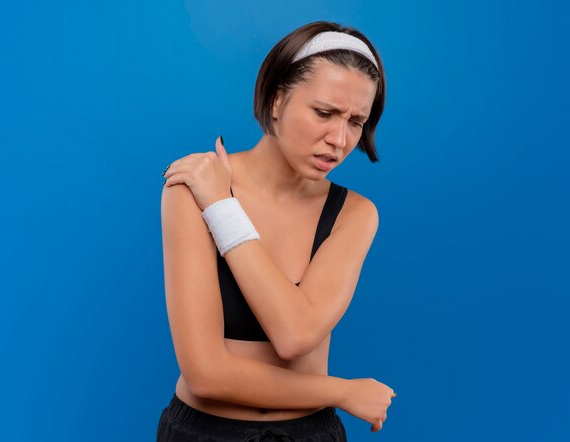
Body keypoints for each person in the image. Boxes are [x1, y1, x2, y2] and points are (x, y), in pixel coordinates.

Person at [157, 20, 395, 441]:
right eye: (324, 113)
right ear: (276, 100)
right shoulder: (192, 187)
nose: (339, 139)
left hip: (309, 434)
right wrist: (341, 391)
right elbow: (206, 374)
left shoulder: (355, 213)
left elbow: (294, 334)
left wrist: (221, 209)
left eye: (356, 122)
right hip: (203, 433)